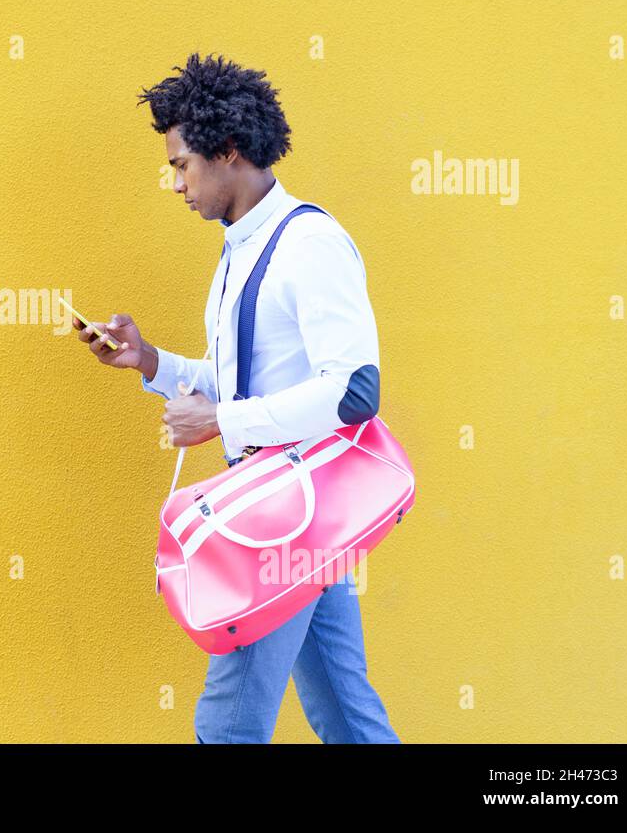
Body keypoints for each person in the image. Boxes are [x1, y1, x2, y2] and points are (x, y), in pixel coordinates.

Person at [73, 52, 400, 743]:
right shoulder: (239, 250)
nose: (175, 184)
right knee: (345, 713)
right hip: (297, 520)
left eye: (181, 165)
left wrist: (221, 419)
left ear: (228, 154)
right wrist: (150, 361)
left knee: (226, 725)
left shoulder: (308, 243)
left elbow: (353, 391)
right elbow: (252, 382)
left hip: (279, 520)